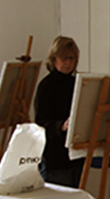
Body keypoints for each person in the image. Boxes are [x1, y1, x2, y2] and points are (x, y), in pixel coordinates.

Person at [34, 36, 86, 188]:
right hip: (55, 158)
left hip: (76, 156)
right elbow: (41, 123)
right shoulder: (46, 86)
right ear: (54, 58)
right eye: (64, 58)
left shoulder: (79, 84)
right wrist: (61, 126)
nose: (68, 62)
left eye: (71, 58)